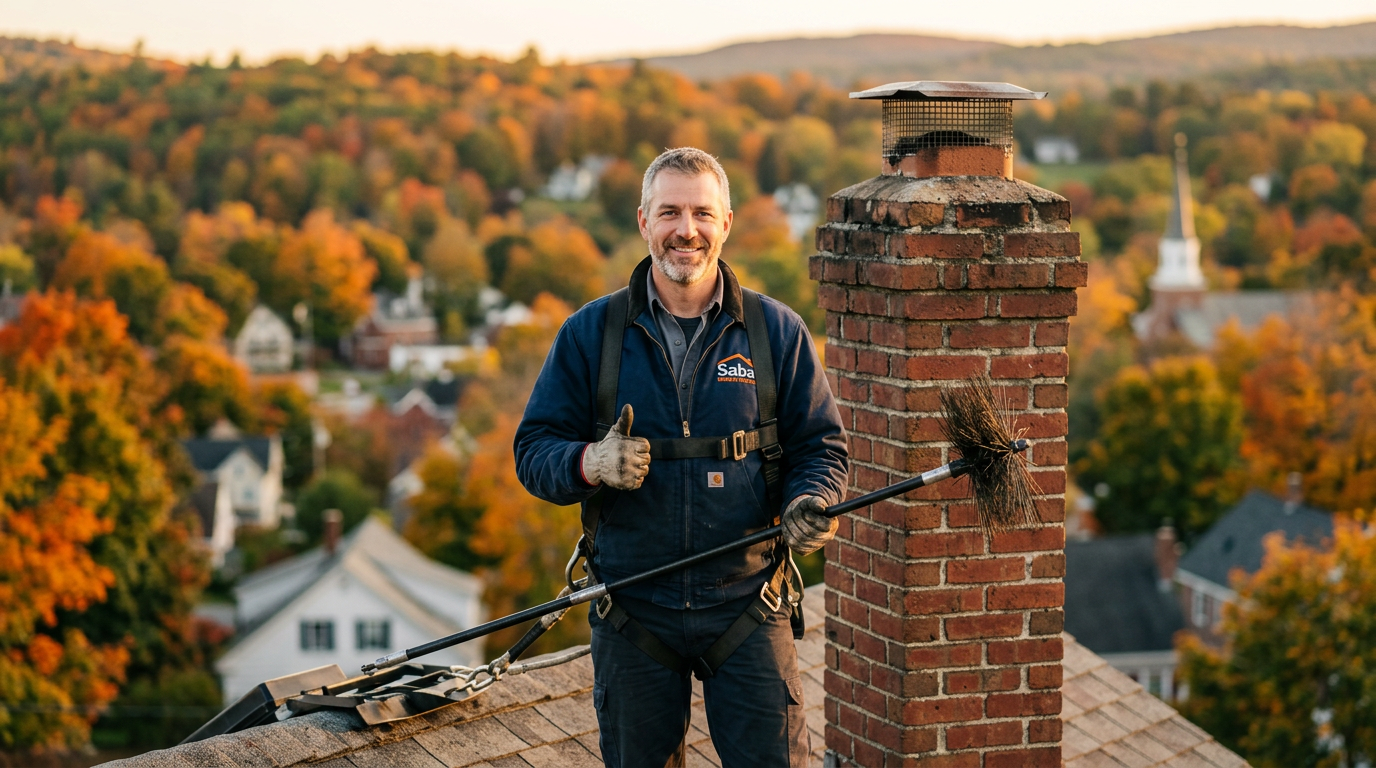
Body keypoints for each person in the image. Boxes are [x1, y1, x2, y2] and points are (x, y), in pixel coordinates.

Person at [514, 147, 848, 767]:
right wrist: (591, 464)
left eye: (701, 213)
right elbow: (532, 452)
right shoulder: (591, 336)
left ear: (726, 223)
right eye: (669, 212)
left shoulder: (776, 334)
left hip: (749, 603)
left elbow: (821, 448)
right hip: (632, 613)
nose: (685, 230)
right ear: (644, 221)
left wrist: (813, 502)